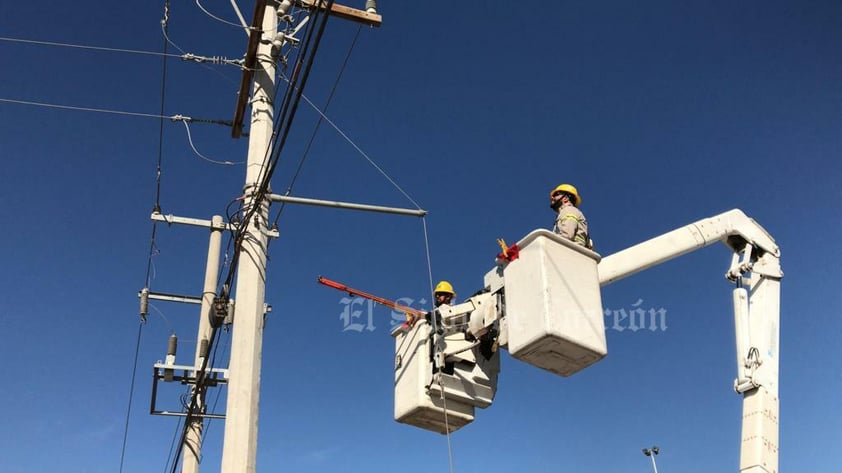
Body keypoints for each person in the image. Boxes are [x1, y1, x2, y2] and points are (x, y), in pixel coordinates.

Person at [549, 183, 592, 249]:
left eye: (556, 194)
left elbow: (567, 236)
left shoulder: (568, 210)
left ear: (565, 198)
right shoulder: (568, 211)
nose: (552, 198)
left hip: (572, 251)